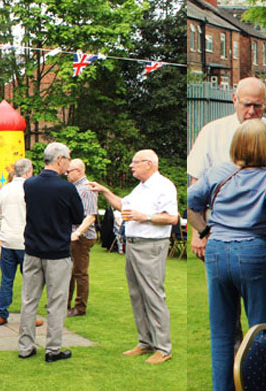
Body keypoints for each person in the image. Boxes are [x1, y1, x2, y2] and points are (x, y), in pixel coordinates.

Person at [185, 120, 266, 391]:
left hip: (218, 252)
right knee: (261, 331)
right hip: (254, 253)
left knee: (222, 334)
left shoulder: (217, 173)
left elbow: (191, 203)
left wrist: (205, 231)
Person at [187, 77, 266, 257]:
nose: (252, 111)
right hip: (219, 234)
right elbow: (196, 187)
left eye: (257, 106)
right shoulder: (212, 132)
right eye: (246, 104)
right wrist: (198, 232)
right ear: (234, 99)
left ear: (265, 102)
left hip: (262, 237)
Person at [87, 150, 177, 365]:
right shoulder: (141, 188)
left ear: (149, 164)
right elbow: (122, 205)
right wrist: (105, 191)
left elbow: (172, 218)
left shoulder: (163, 186)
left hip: (151, 246)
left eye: (135, 163)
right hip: (134, 245)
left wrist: (143, 217)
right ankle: (145, 342)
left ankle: (163, 348)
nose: (131, 166)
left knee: (153, 295)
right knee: (137, 295)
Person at [17, 142, 84, 362]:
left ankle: (25, 346)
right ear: (59, 160)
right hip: (57, 252)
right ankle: (53, 349)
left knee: (29, 300)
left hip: (33, 250)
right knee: (56, 302)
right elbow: (77, 217)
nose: (68, 163)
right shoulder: (66, 188)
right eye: (68, 158)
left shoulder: (30, 184)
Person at [0, 159, 41, 327]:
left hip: (7, 241)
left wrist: (2, 232)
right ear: (28, 172)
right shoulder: (32, 189)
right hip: (26, 241)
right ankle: (30, 316)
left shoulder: (4, 190)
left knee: (6, 279)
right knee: (30, 281)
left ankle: (1, 313)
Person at [66, 158, 98, 317]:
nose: (66, 174)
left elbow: (91, 215)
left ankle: (80, 307)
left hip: (82, 237)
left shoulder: (87, 188)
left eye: (69, 171)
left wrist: (77, 234)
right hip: (72, 235)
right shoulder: (74, 188)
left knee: (79, 272)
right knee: (69, 271)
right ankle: (65, 302)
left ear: (79, 171)